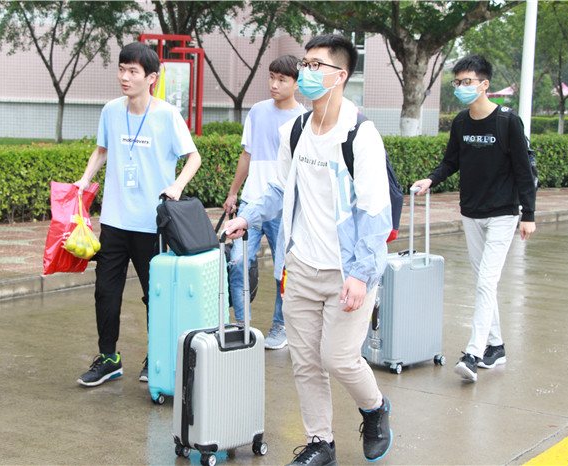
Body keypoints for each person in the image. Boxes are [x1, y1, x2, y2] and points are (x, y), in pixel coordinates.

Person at [225, 34, 393, 465]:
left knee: (338, 358)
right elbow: (279, 188)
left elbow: (376, 214)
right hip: (300, 265)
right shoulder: (295, 130)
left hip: (347, 271)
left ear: (341, 75)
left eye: (317, 65)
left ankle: (375, 407)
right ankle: (321, 442)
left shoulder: (360, 135)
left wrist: (361, 275)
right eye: (305, 63)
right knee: (305, 361)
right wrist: (248, 216)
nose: (307, 72)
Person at [74, 42, 201, 387]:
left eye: (133, 71)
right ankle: (108, 358)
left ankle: (155, 356)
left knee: (154, 295)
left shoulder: (167, 115)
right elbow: (102, 150)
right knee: (105, 292)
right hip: (114, 221)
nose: (125, 77)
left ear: (151, 78)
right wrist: (85, 179)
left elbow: (193, 157)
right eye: (121, 69)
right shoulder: (111, 111)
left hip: (152, 223)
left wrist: (176, 186)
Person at [411, 54, 536, 383]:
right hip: (471, 212)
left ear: (484, 84)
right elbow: (451, 161)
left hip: (503, 213)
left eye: (468, 82)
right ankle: (497, 346)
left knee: (485, 282)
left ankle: (473, 352)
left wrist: (528, 214)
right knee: (484, 282)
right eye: (458, 82)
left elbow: (523, 171)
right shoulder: (461, 123)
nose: (461, 87)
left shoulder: (507, 121)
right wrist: (431, 179)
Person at [222, 55, 306, 350]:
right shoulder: (257, 111)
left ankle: (280, 326)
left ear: (296, 83)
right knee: (237, 262)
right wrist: (233, 193)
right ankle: (241, 324)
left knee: (284, 268)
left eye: (282, 79)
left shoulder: (304, 119)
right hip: (251, 203)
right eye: (271, 77)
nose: (274, 84)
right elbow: (247, 154)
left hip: (283, 206)